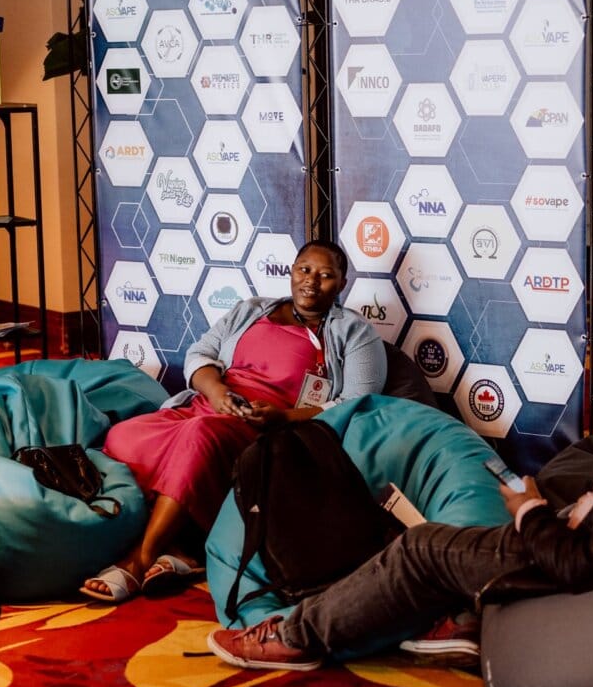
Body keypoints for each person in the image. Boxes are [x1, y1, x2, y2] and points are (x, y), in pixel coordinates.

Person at [206, 320, 593, 671]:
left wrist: (529, 513)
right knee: (562, 472)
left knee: (424, 547)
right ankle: (458, 612)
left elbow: (581, 563)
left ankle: (296, 637)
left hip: (557, 552)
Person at [82, 241, 387, 603]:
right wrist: (217, 394)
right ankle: (182, 548)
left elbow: (360, 399)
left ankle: (140, 558)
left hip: (264, 427)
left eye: (326, 275)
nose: (311, 281)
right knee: (124, 436)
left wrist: (283, 417)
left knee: (199, 438)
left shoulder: (353, 331)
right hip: (210, 405)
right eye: (304, 269)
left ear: (342, 283)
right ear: (291, 271)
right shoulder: (251, 310)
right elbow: (201, 354)